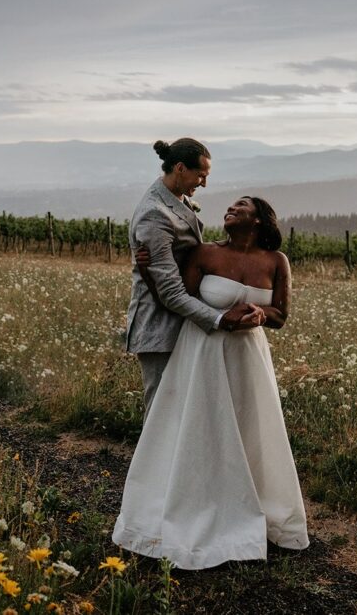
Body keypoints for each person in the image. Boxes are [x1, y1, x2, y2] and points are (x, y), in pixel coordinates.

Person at [112, 196, 310, 569]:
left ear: (260, 220)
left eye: (242, 206)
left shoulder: (275, 261)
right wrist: (150, 271)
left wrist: (259, 313)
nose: (231, 209)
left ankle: (254, 506)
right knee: (202, 427)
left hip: (248, 357)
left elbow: (281, 315)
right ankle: (194, 508)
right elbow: (177, 300)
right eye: (231, 207)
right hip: (203, 352)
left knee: (251, 428)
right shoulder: (204, 253)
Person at [125, 138, 262, 419]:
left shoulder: (176, 198)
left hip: (184, 325)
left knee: (186, 415)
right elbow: (170, 293)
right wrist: (220, 319)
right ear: (179, 168)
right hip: (160, 329)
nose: (203, 184)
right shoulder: (154, 214)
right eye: (200, 176)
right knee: (162, 415)